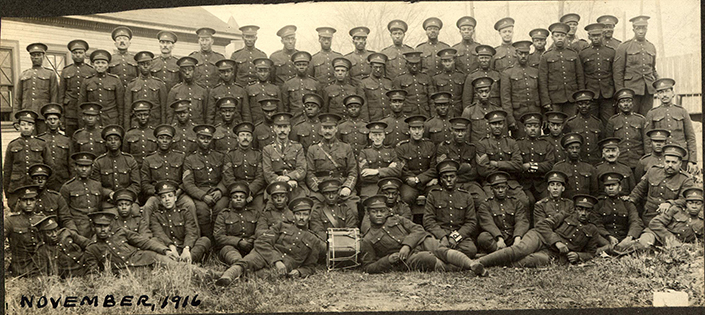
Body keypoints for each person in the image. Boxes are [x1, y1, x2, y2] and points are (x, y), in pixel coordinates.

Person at [468, 194, 609, 273]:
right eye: (580, 209)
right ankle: (479, 262)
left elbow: (591, 253)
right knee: (520, 250)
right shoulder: (565, 215)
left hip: (552, 254)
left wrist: (579, 255)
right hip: (540, 237)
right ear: (575, 209)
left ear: (591, 212)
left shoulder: (593, 230)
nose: (583, 213)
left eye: (587, 211)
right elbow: (542, 225)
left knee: (527, 261)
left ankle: (488, 263)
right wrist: (557, 241)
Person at [360, 195, 483, 274]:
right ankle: (461, 267)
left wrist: (407, 245)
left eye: (382, 211)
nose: (379, 214)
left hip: (418, 244)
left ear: (388, 211)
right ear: (368, 214)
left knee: (438, 248)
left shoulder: (398, 219)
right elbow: (368, 267)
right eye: (374, 211)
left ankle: (471, 264)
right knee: (427, 258)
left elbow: (418, 229)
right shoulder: (368, 238)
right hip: (404, 259)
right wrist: (387, 260)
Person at [215, 197, 319, 286]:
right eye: (298, 214)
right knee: (247, 262)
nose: (301, 218)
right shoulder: (281, 226)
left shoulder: (313, 240)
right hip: (265, 254)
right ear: (293, 215)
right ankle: (227, 276)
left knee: (261, 275)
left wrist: (299, 272)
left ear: (309, 217)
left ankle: (217, 276)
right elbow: (262, 242)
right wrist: (276, 260)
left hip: (283, 267)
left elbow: (310, 266)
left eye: (305, 214)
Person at [141, 124, 198, 232]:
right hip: (157, 195)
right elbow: (145, 183)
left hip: (178, 194)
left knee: (190, 205)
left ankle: (195, 238)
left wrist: (178, 192)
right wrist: (157, 193)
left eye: (167, 138)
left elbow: (186, 179)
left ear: (172, 140)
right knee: (148, 206)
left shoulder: (181, 157)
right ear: (156, 140)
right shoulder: (148, 159)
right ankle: (146, 238)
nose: (164, 141)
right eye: (161, 138)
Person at [183, 124, 229, 240]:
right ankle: (207, 241)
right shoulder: (190, 159)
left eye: (208, 138)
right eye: (202, 138)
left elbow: (226, 177)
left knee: (220, 208)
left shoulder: (219, 156)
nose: (205, 141)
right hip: (200, 192)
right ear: (197, 139)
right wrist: (203, 196)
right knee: (202, 211)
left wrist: (220, 190)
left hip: (217, 191)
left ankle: (219, 241)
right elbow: (188, 183)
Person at [628, 144, 694, 226]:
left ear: (680, 163)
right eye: (667, 161)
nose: (670, 165)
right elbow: (639, 190)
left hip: (669, 220)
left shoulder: (686, 179)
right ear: (663, 161)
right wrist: (630, 201)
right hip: (648, 217)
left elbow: (684, 199)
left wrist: (670, 203)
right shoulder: (653, 171)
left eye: (674, 162)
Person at [423, 160, 478, 258]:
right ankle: (455, 257)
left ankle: (445, 256)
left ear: (457, 178)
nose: (449, 180)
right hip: (439, 235)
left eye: (452, 176)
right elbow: (428, 220)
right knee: (430, 247)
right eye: (445, 177)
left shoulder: (466, 196)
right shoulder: (433, 195)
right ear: (440, 180)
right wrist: (442, 236)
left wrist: (456, 237)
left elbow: (471, 222)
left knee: (471, 250)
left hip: (458, 234)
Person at [476, 110, 529, 209]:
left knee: (524, 201)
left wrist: (496, 164)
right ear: (489, 125)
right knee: (490, 204)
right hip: (491, 184)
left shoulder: (511, 142)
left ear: (504, 125)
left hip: (511, 182)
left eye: (500, 123)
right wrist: (509, 166)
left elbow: (518, 165)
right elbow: (483, 170)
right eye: (494, 124)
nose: (497, 126)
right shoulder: (482, 144)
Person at [150, 180, 212, 264]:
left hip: (184, 248)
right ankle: (182, 263)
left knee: (205, 240)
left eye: (170, 196)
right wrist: (171, 247)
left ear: (175, 198)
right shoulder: (156, 216)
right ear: (160, 201)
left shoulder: (184, 213)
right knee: (154, 241)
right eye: (163, 197)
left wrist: (186, 249)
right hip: (168, 250)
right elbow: (159, 234)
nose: (167, 199)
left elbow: (191, 232)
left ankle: (186, 259)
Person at [644, 78, 698, 172]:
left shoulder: (682, 111)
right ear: (657, 95)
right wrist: (650, 159)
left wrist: (692, 160)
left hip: (681, 157)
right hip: (661, 158)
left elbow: (690, 137)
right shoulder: (652, 113)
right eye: (660, 92)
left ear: (672, 93)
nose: (664, 95)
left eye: (667, 91)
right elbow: (647, 139)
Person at [306, 113, 359, 210]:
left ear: (336, 129)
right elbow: (309, 173)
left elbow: (353, 171)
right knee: (314, 211)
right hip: (321, 188)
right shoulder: (313, 149)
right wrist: (320, 188)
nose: (327, 131)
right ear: (321, 129)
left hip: (341, 186)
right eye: (325, 128)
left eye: (330, 128)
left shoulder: (346, 147)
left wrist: (347, 187)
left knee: (352, 210)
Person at [630, 187, 704, 250]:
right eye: (690, 203)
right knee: (643, 245)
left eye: (698, 203)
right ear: (686, 204)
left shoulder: (701, 222)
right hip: (656, 236)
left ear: (702, 205)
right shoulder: (675, 210)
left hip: (676, 246)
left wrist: (685, 246)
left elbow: (700, 243)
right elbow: (654, 223)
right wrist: (670, 238)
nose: (694, 206)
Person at [613, 16, 658, 115]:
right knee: (631, 119)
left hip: (648, 90)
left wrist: (658, 83)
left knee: (647, 118)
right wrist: (622, 93)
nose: (641, 31)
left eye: (643, 28)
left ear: (647, 28)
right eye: (638, 28)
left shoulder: (651, 47)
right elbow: (618, 72)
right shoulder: (624, 47)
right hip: (631, 90)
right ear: (633, 29)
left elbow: (653, 69)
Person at [4, 110, 48, 210]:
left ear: (33, 127)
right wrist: (7, 192)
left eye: (29, 124)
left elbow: (49, 167)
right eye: (23, 124)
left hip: (36, 187)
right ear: (19, 127)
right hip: (17, 187)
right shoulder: (13, 145)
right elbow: (7, 170)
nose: (26, 127)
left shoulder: (41, 144)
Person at [395, 115, 437, 221]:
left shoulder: (430, 145)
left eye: (419, 128)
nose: (417, 132)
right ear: (409, 130)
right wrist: (412, 180)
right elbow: (403, 170)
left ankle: (434, 224)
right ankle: (406, 224)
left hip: (427, 182)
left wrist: (419, 179)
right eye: (414, 129)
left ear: (423, 130)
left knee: (437, 194)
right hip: (409, 183)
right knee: (406, 197)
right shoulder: (402, 147)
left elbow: (433, 168)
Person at [436, 117, 486, 204]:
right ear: (452, 131)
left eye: (462, 131)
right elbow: (444, 171)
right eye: (457, 131)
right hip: (450, 185)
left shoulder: (471, 148)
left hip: (470, 184)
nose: (460, 134)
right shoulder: (443, 148)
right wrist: (467, 167)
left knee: (483, 201)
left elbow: (475, 173)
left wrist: (455, 171)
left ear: (466, 132)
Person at [476, 171, 530, 253]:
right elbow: (487, 223)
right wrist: (499, 238)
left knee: (529, 237)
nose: (500, 190)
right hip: (496, 239)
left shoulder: (515, 202)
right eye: (497, 188)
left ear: (507, 188)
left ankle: (501, 254)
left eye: (503, 187)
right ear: (491, 189)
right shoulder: (486, 204)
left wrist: (517, 237)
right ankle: (510, 253)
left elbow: (521, 220)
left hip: (512, 236)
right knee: (483, 237)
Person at [538, 22, 585, 116]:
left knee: (571, 125)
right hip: (554, 98)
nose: (560, 38)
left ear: (566, 37)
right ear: (552, 37)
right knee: (556, 125)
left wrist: (581, 97)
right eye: (557, 35)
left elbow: (580, 77)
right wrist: (546, 101)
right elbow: (542, 81)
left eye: (562, 35)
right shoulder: (546, 56)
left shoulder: (573, 54)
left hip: (572, 97)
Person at [60, 152, 109, 237]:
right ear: (75, 167)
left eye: (87, 166)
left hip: (96, 228)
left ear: (91, 168)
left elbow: (99, 208)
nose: (84, 169)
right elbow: (64, 215)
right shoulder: (67, 187)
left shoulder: (97, 185)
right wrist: (73, 231)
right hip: (77, 228)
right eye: (80, 166)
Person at [592, 172, 643, 253]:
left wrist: (629, 237)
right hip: (606, 239)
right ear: (604, 189)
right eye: (608, 186)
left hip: (624, 238)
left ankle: (620, 249)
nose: (611, 188)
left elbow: (635, 221)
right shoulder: (599, 204)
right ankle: (612, 249)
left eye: (614, 185)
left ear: (620, 187)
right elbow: (597, 223)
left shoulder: (627, 203)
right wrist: (608, 236)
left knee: (640, 244)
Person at [14, 42, 59, 134]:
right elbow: (18, 98)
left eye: (38, 55)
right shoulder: (24, 74)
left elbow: (54, 96)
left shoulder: (50, 74)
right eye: (33, 55)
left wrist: (52, 115)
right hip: (27, 116)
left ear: (43, 56)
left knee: (44, 141)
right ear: (30, 57)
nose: (36, 57)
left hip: (44, 116)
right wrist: (15, 119)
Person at [213, 182, 260, 269]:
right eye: (235, 197)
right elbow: (218, 237)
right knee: (231, 253)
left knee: (257, 253)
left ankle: (242, 268)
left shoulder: (254, 213)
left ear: (246, 199)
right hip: (231, 248)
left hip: (250, 246)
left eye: (242, 197)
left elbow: (259, 231)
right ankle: (240, 265)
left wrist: (251, 241)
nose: (238, 199)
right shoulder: (223, 214)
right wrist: (238, 241)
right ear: (231, 200)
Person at [261, 112, 308, 198]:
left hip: (295, 184)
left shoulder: (298, 147)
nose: (282, 130)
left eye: (285, 127)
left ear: (289, 128)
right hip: (275, 186)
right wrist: (283, 182)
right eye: (279, 127)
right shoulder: (268, 149)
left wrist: (289, 177)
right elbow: (268, 173)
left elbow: (302, 169)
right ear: (274, 128)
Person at [500, 40, 540, 138]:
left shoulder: (535, 71)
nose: (523, 56)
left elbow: (541, 93)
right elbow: (506, 99)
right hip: (518, 117)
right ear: (515, 53)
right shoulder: (507, 73)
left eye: (526, 53)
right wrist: (510, 119)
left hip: (535, 115)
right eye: (520, 53)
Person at [516, 113, 556, 209]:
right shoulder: (518, 144)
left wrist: (531, 165)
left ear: (540, 128)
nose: (533, 129)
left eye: (536, 126)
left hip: (541, 183)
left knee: (547, 201)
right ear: (525, 128)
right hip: (524, 183)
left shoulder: (546, 144)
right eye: (529, 126)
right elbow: (516, 164)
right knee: (528, 201)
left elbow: (550, 164)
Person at [223, 123, 266, 211]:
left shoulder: (258, 154)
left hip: (255, 192)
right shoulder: (230, 155)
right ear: (237, 138)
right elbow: (228, 177)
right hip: (236, 191)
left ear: (251, 139)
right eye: (242, 135)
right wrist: (240, 192)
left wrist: (250, 191)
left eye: (248, 135)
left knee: (259, 210)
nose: (245, 138)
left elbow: (260, 177)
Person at [580, 23, 616, 124]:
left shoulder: (611, 52)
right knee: (592, 122)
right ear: (589, 37)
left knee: (608, 121)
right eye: (593, 35)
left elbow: (615, 73)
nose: (596, 38)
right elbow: (581, 75)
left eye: (598, 35)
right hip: (591, 94)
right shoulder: (583, 53)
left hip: (608, 93)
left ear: (603, 35)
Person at [91, 124, 141, 197]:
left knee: (134, 209)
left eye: (116, 139)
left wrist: (124, 194)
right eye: (109, 139)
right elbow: (95, 186)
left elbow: (136, 185)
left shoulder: (129, 160)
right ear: (106, 143)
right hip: (107, 200)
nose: (113, 142)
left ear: (120, 142)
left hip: (129, 198)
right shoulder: (99, 162)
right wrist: (109, 193)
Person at [79, 49, 125, 127]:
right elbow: (81, 104)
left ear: (107, 65)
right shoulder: (87, 81)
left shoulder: (115, 80)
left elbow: (120, 104)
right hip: (93, 119)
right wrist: (82, 124)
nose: (100, 65)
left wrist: (120, 123)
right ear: (93, 65)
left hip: (111, 119)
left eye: (103, 63)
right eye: (97, 63)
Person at [357, 121, 401, 201]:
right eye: (374, 135)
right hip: (370, 187)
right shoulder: (364, 152)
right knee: (367, 203)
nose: (377, 138)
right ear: (370, 136)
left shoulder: (391, 151)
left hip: (389, 186)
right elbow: (363, 176)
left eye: (380, 135)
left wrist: (376, 171)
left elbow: (398, 171)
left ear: (384, 136)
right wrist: (388, 170)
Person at [59, 39, 96, 135]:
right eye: (75, 53)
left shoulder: (91, 70)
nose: (78, 55)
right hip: (70, 112)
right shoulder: (66, 71)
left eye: (80, 52)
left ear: (85, 54)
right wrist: (61, 116)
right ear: (71, 55)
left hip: (87, 112)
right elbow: (61, 95)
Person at [5, 185, 43, 277]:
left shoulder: (42, 219)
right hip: (19, 268)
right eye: (25, 200)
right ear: (19, 202)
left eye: (32, 200)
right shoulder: (11, 221)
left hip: (41, 268)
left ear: (36, 202)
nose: (28, 203)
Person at [604, 88, 646, 172]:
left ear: (633, 103)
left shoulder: (641, 119)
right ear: (618, 104)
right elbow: (609, 143)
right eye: (622, 101)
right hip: (620, 161)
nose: (626, 104)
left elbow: (646, 141)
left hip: (638, 160)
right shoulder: (613, 121)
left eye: (628, 101)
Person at [124, 51, 167, 129]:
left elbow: (163, 110)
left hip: (154, 124)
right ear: (138, 66)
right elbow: (127, 111)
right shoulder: (132, 85)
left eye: (148, 64)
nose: (145, 66)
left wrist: (162, 128)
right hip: (136, 124)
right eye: (142, 64)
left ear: (152, 65)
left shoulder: (159, 84)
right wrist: (127, 130)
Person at [309, 179, 358, 246]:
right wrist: (334, 241)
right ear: (323, 194)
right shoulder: (317, 212)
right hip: (326, 244)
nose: (331, 196)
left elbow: (351, 228)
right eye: (327, 193)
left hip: (345, 244)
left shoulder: (345, 209)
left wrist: (341, 241)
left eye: (334, 193)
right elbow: (318, 232)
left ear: (338, 193)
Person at [551, 133, 599, 199]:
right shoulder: (558, 168)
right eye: (571, 148)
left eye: (577, 148)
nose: (574, 151)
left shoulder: (589, 168)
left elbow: (595, 191)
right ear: (566, 150)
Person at [564, 90, 604, 166]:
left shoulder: (598, 122)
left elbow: (602, 142)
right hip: (579, 162)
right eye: (580, 104)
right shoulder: (570, 123)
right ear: (576, 105)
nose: (584, 106)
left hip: (596, 161)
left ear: (591, 104)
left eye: (587, 103)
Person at [38, 103, 72, 191]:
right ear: (45, 121)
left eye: (55, 119)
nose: (52, 122)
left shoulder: (66, 140)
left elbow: (71, 163)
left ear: (59, 121)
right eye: (50, 119)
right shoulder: (40, 140)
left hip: (63, 179)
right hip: (45, 180)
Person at [166, 56, 209, 124]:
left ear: (194, 71)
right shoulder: (174, 90)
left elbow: (206, 113)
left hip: (198, 127)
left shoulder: (202, 90)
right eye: (184, 70)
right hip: (179, 128)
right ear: (180, 72)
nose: (187, 73)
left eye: (190, 70)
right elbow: (169, 115)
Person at [282, 51, 321, 124]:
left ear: (308, 66)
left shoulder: (315, 83)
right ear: (294, 66)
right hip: (294, 119)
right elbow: (285, 107)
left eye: (304, 64)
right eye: (298, 64)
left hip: (312, 120)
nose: (301, 67)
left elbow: (320, 106)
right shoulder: (288, 84)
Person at [392, 51, 435, 118]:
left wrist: (433, 115)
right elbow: (397, 101)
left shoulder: (426, 77)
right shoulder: (399, 79)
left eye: (417, 64)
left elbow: (431, 99)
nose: (414, 66)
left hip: (425, 113)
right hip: (408, 115)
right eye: (411, 64)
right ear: (406, 64)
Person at [29, 164, 72, 229]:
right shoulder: (26, 198)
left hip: (53, 233)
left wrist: (72, 232)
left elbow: (66, 219)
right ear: (32, 180)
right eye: (36, 178)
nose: (40, 181)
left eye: (43, 178)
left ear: (47, 180)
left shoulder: (56, 197)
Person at [462, 77, 503, 144]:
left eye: (486, 91)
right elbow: (466, 137)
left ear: (490, 92)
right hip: (477, 148)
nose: (484, 95)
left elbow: (503, 137)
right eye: (481, 92)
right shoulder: (469, 111)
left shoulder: (497, 110)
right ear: (476, 93)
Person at [208, 59, 250, 125]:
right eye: (223, 72)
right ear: (219, 74)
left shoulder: (241, 90)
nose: (226, 74)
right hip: (219, 127)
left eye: (228, 71)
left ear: (232, 72)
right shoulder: (214, 91)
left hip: (237, 126)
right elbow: (210, 115)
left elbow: (246, 114)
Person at [246, 58, 283, 125]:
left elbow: (280, 109)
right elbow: (246, 111)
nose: (263, 74)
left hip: (272, 123)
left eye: (265, 71)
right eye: (260, 71)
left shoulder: (275, 88)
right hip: (255, 123)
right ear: (256, 72)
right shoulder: (249, 88)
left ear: (269, 72)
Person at [122, 100, 158, 168]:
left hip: (152, 168)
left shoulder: (155, 133)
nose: (143, 118)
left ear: (149, 115)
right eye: (139, 115)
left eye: (145, 115)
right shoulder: (129, 134)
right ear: (135, 116)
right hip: (135, 168)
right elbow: (126, 156)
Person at [432, 49, 466, 117]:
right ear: (441, 62)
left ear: (454, 61)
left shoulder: (462, 76)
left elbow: (465, 97)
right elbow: (434, 99)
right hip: (444, 112)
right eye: (445, 61)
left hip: (459, 110)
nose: (447, 64)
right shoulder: (436, 78)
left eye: (449, 61)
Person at [360, 53, 393, 121]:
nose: (378, 70)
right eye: (375, 67)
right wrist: (366, 122)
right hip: (373, 118)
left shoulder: (389, 82)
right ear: (371, 67)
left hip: (388, 118)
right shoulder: (364, 82)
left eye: (380, 67)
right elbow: (363, 106)